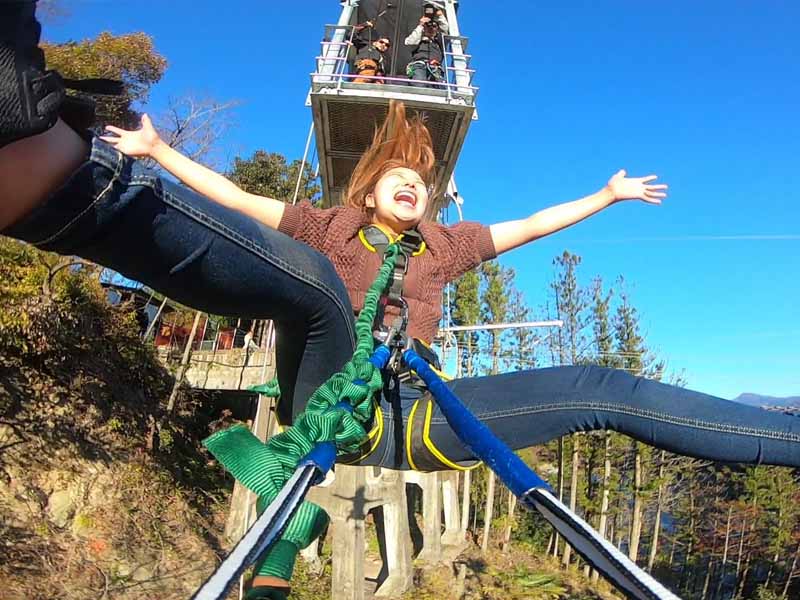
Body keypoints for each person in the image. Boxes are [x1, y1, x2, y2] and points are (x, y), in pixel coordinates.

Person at [2, 3, 799, 597]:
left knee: (599, 385)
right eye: (399, 177)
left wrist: (606, 193)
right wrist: (158, 148)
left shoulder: (446, 248)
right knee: (316, 290)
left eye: (424, 180)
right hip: (329, 383)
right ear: (372, 188)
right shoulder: (329, 225)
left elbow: (528, 225)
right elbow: (239, 200)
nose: (415, 183)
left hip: (409, 409)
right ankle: (78, 191)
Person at [404, 3, 448, 87]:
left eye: (434, 26)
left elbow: (445, 29)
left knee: (439, 90)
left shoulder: (439, 42)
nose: (431, 27)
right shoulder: (419, 40)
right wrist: (421, 25)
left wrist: (440, 15)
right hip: (418, 65)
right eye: (428, 25)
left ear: (437, 29)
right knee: (418, 87)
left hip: (435, 67)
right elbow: (409, 42)